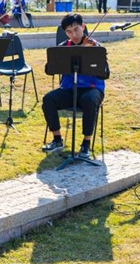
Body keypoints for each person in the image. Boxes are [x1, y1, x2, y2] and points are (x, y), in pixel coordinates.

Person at [42, 13, 105, 158]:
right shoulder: (64, 47)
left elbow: (104, 74)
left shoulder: (95, 46)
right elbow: (49, 70)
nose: (74, 35)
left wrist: (93, 55)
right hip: (70, 89)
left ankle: (86, 143)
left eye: (76, 29)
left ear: (83, 27)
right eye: (69, 32)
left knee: (89, 101)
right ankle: (57, 139)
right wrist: (57, 59)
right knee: (49, 99)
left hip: (92, 89)